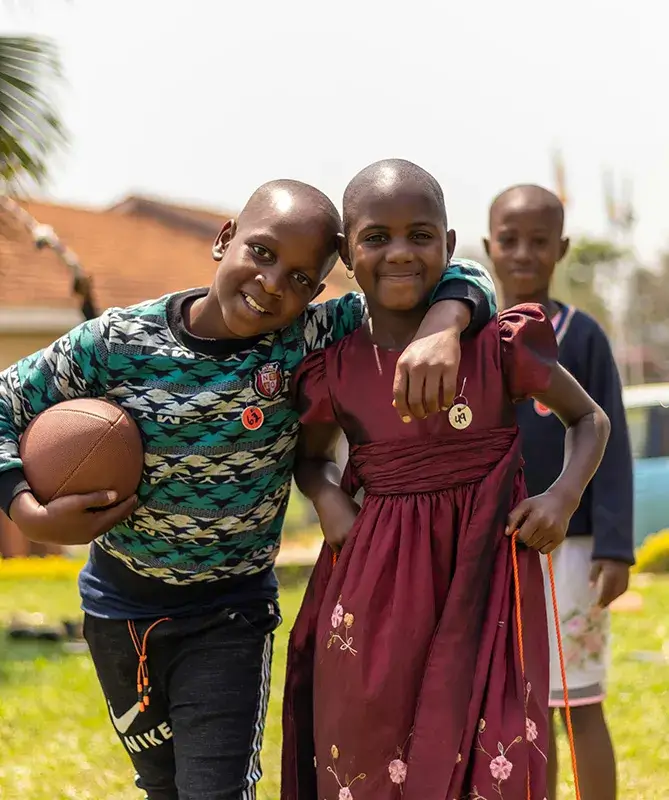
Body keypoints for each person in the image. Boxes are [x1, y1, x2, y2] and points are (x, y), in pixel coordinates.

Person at [0, 178, 496, 800]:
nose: (271, 284)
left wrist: (445, 323)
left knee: (215, 789)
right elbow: (3, 403)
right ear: (224, 240)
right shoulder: (115, 344)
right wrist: (27, 510)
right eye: (261, 254)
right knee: (162, 785)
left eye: (297, 279)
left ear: (317, 292)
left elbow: (465, 271)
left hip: (230, 613)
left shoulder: (307, 336)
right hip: (119, 610)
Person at [281, 160, 610, 800]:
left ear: (450, 246)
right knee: (368, 741)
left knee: (497, 748)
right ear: (347, 252)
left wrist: (562, 496)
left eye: (420, 235)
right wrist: (326, 497)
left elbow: (589, 420)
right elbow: (312, 457)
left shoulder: (498, 347)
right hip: (374, 583)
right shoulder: (335, 370)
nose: (400, 252)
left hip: (489, 578)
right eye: (376, 237)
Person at [484, 184, 634, 800]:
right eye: (510, 240)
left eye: (539, 241)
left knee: (580, 702)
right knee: (521, 709)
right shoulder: (468, 338)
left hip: (570, 552)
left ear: (562, 248)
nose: (523, 252)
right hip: (493, 551)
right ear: (488, 246)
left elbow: (612, 442)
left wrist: (616, 547)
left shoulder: (584, 336)